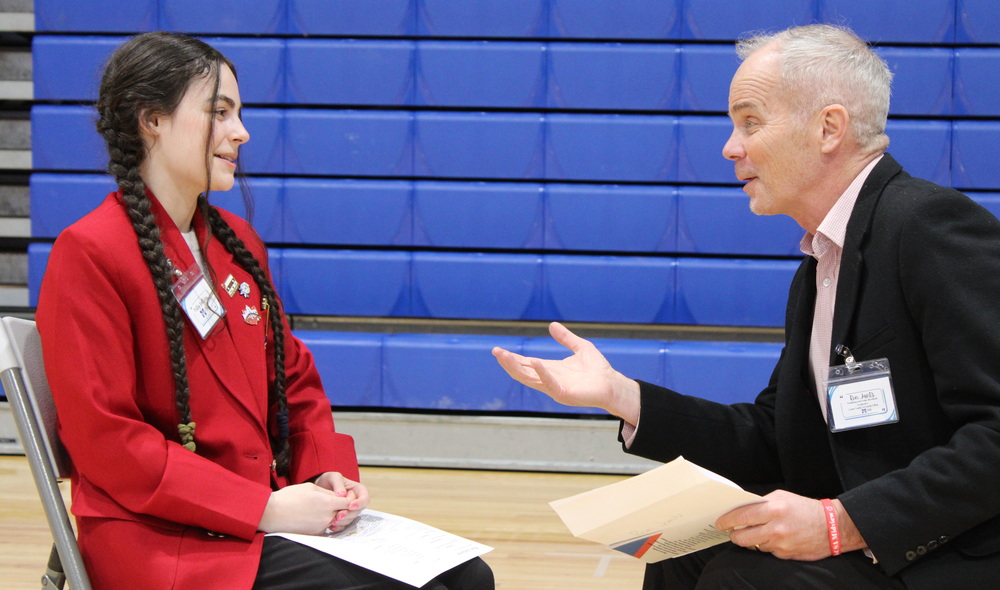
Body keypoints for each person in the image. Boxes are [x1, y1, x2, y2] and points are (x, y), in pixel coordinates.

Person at [493, 24, 1000, 590]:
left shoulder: (929, 226)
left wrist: (841, 523)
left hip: (952, 547)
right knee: (681, 554)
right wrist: (619, 395)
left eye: (750, 122)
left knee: (744, 578)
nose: (730, 146)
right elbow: (774, 438)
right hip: (875, 533)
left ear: (828, 128)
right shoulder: (822, 263)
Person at [36, 32, 494, 590]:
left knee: (470, 579)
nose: (240, 132)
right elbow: (109, 444)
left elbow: (294, 380)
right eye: (219, 112)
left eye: (238, 114)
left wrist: (326, 471)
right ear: (151, 120)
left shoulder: (239, 245)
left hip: (255, 521)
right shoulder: (90, 253)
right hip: (163, 539)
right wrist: (263, 509)